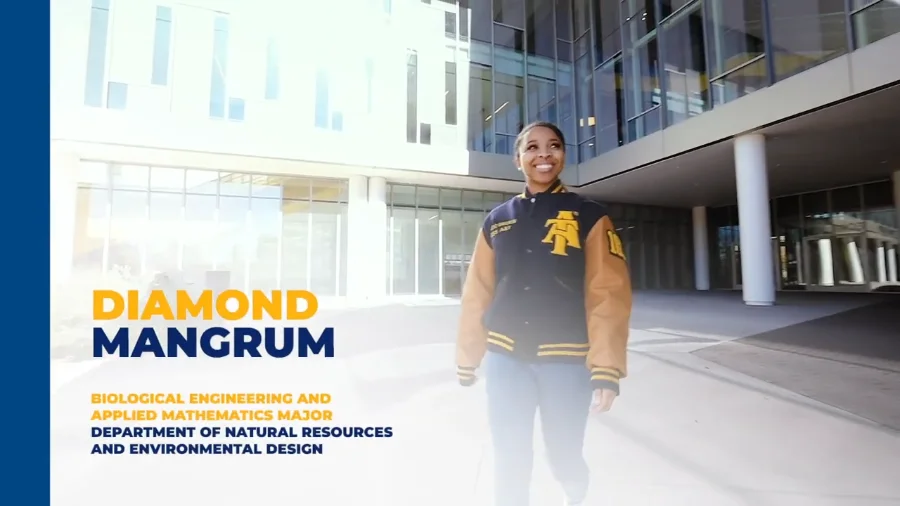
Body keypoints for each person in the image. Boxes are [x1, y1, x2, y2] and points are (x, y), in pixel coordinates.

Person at [455, 121, 633, 506]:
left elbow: (609, 294)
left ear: (564, 155)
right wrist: (468, 357)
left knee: (563, 454)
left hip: (566, 361)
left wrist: (606, 367)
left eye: (553, 146)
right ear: (518, 159)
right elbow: (477, 293)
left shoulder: (590, 215)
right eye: (532, 148)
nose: (544, 155)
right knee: (509, 454)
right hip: (506, 359)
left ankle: (576, 493)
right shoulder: (497, 219)